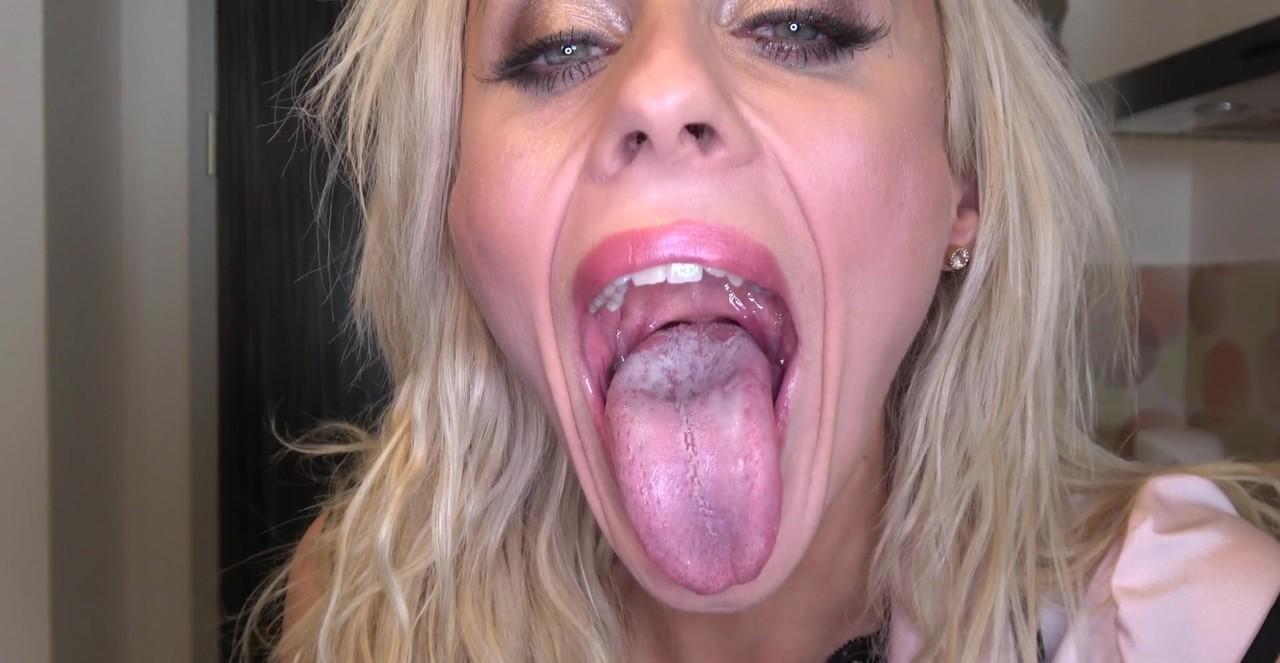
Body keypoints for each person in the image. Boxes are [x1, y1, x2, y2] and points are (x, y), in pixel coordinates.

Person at [237, 0, 1280, 661]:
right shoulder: (366, 612)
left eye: (797, 23)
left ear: (963, 181)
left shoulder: (1180, 622)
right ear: (455, 211)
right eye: (559, 43)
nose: (660, 88)